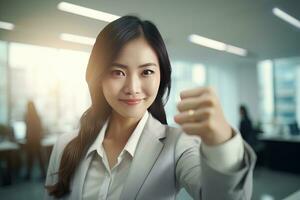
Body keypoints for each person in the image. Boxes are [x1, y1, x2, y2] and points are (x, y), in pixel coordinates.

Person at [45, 16, 256, 200]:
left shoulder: (177, 145)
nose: (132, 88)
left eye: (146, 72)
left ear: (161, 77)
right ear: (98, 77)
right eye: (118, 72)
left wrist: (222, 143)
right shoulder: (65, 146)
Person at [25, 100, 46, 180]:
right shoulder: (37, 116)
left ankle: (28, 175)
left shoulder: (27, 116)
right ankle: (43, 174)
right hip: (36, 140)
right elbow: (40, 128)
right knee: (39, 158)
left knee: (30, 158)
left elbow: (27, 129)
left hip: (31, 140)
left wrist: (26, 138)